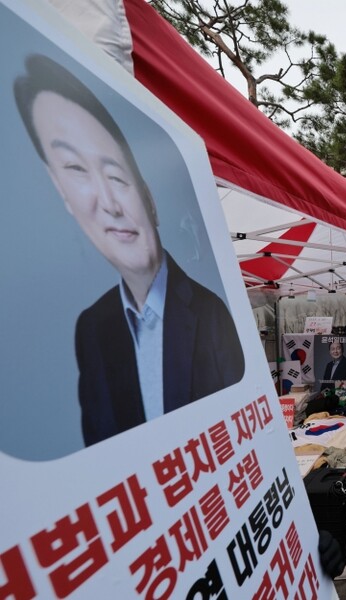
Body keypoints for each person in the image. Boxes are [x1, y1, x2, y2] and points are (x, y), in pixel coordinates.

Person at [14, 54, 245, 446]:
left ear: (149, 198)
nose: (108, 202)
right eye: (75, 170)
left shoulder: (212, 314)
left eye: (117, 175)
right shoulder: (91, 328)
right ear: (64, 197)